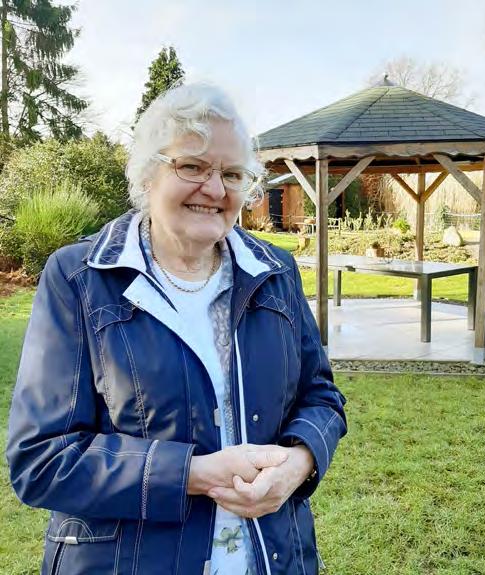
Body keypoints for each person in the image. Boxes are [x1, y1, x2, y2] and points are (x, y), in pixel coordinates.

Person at [6, 82, 347, 575]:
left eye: (232, 174)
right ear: (148, 174)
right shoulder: (80, 279)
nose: (216, 189)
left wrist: (299, 463)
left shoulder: (275, 272)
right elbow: (41, 459)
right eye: (192, 166)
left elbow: (321, 396)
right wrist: (194, 474)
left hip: (272, 558)